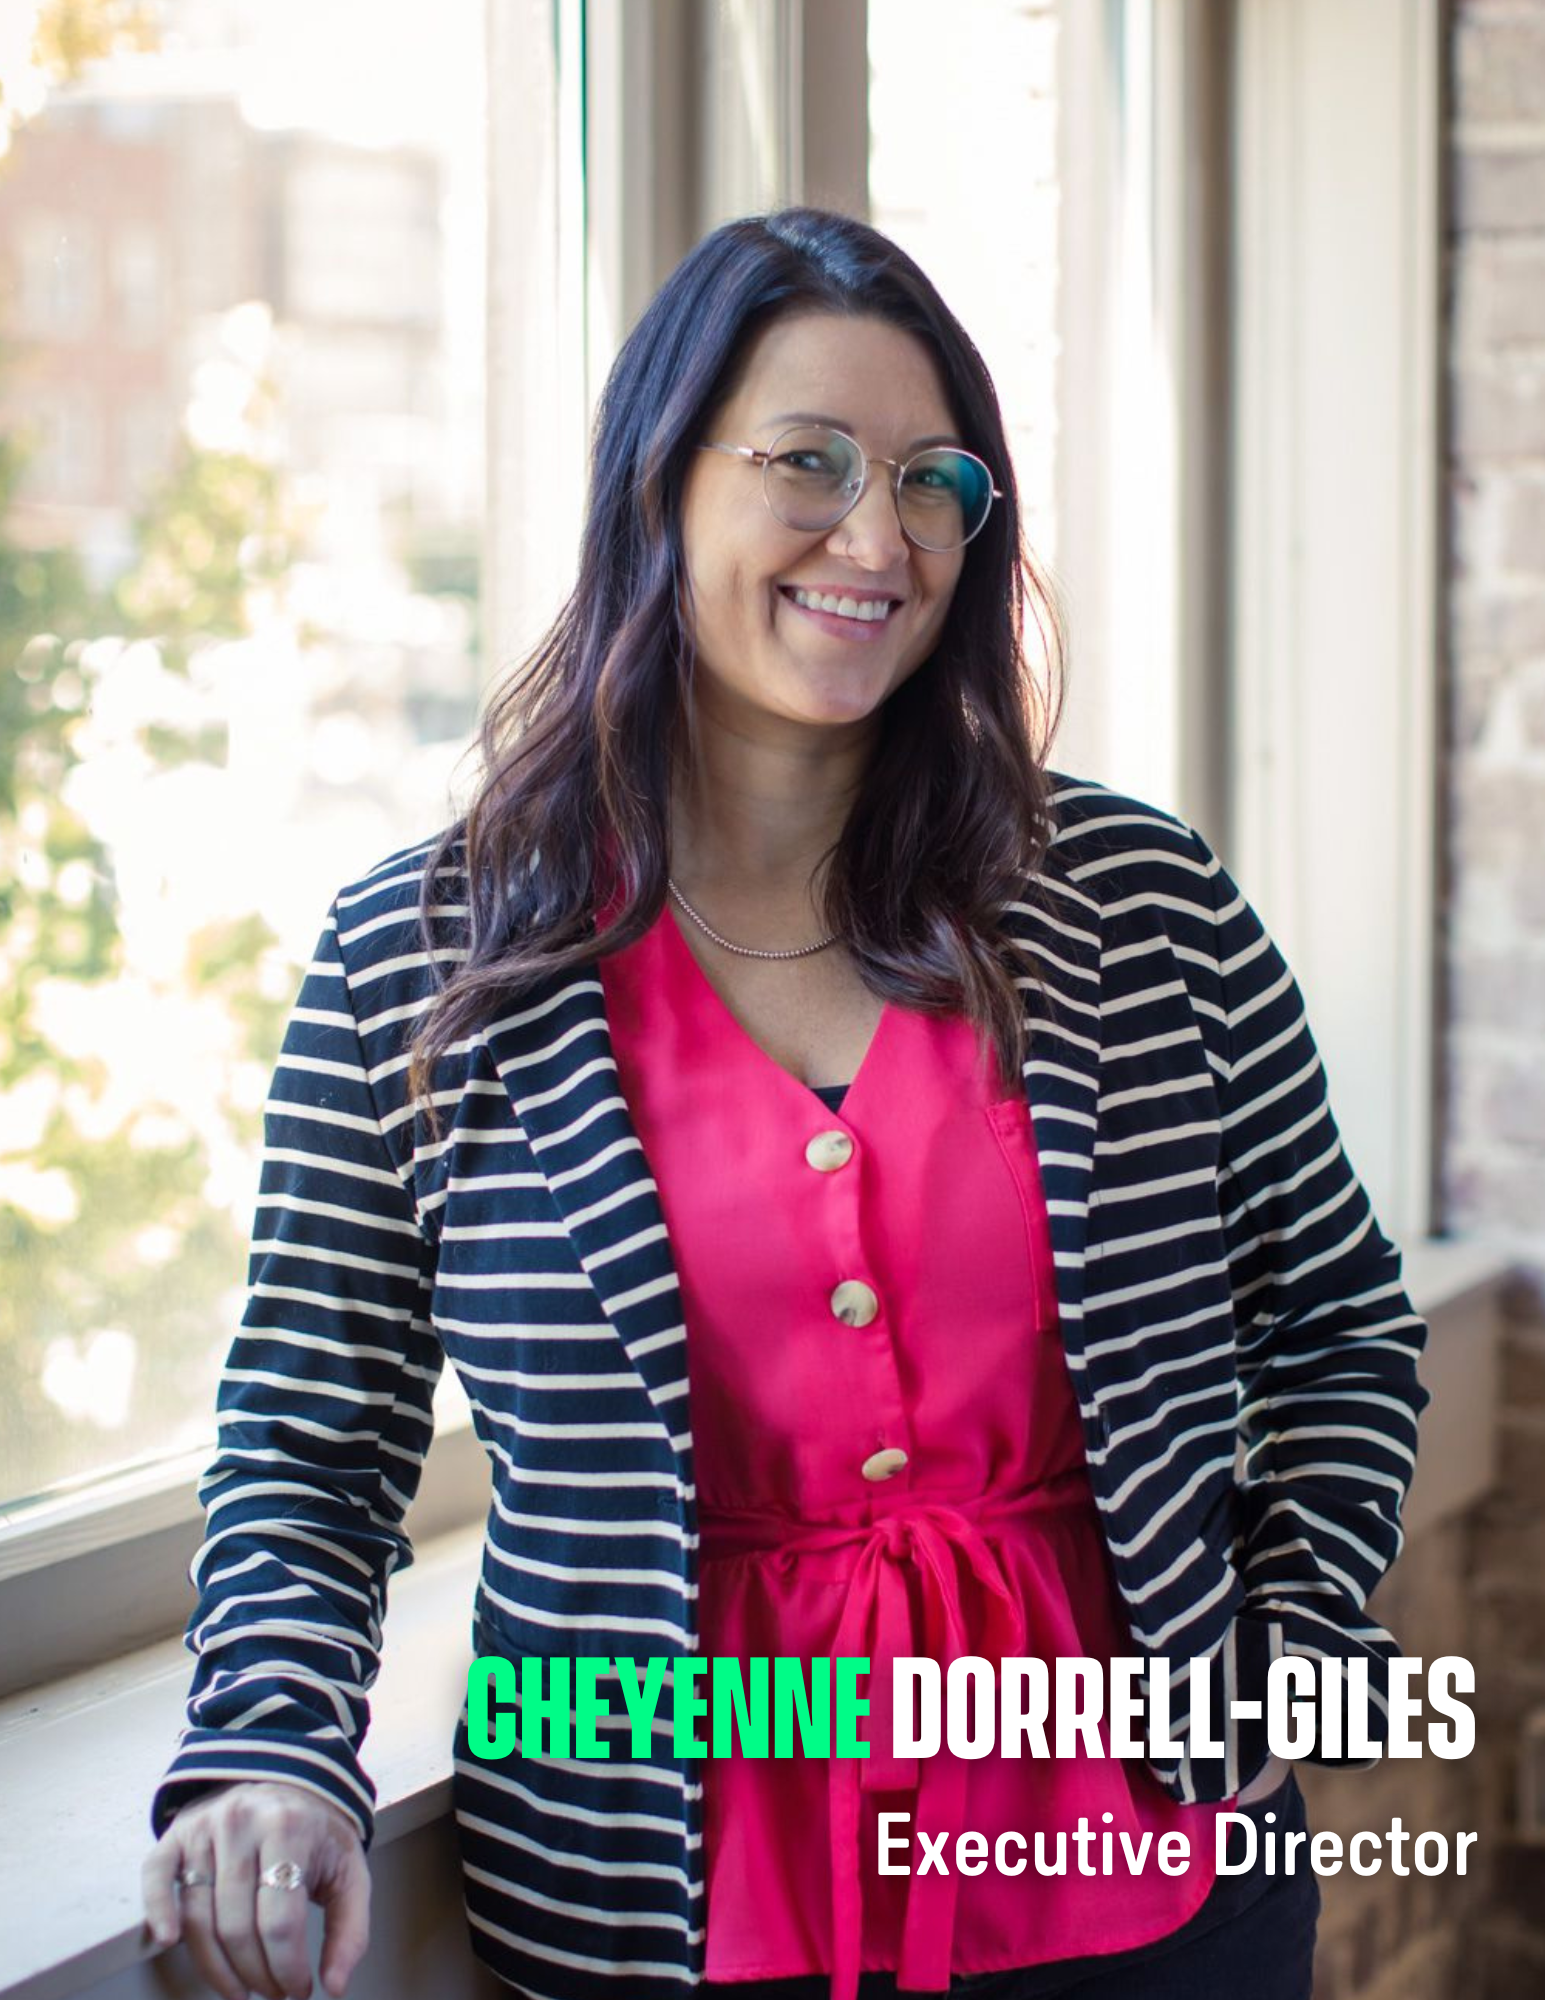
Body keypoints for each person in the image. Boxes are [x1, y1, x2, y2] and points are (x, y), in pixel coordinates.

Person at [142, 208, 1427, 2000]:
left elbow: (1343, 1320)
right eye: (807, 461)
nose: (877, 534)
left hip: (1154, 1890)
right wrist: (274, 1745)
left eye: (933, 481)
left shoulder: (1141, 906)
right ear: (660, 481)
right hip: (659, 1910)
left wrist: (1290, 1639)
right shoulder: (419, 958)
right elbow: (313, 1427)